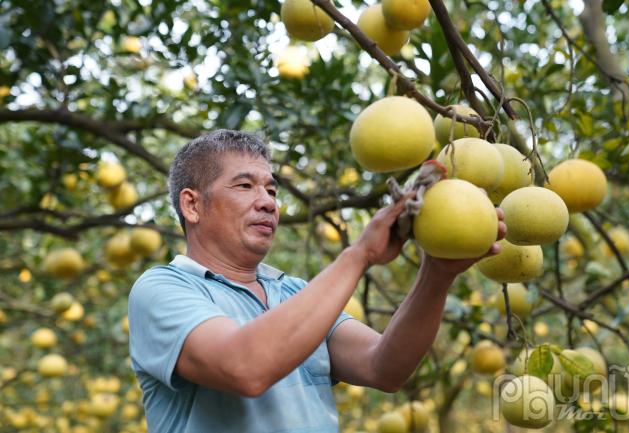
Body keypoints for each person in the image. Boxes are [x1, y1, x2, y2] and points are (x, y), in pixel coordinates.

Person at [128, 129, 506, 433]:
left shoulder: (294, 293)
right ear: (192, 205)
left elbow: (384, 367)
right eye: (245, 187)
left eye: (272, 190)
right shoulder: (163, 289)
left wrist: (438, 273)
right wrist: (358, 255)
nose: (268, 202)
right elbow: (244, 367)